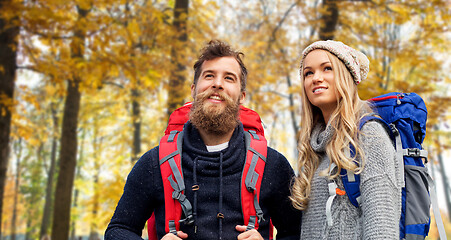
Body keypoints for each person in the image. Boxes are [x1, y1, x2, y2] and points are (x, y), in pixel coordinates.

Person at [105, 40, 301, 240]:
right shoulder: (155, 163)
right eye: (209, 76)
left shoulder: (273, 165)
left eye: (229, 78)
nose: (217, 83)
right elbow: (118, 230)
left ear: (242, 97)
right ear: (193, 90)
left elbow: (298, 233)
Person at [290, 40, 401, 239]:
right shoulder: (315, 149)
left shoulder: (370, 136)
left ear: (346, 76)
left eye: (327, 68)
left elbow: (382, 229)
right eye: (308, 73)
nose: (316, 78)